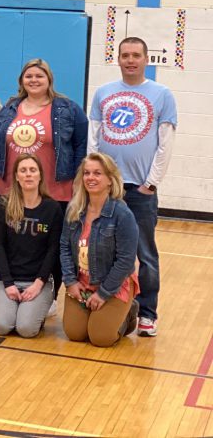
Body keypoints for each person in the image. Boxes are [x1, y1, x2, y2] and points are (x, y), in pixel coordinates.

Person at [88, 37, 176, 338]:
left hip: (139, 190)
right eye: (125, 55)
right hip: (106, 189)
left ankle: (148, 312)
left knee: (144, 253)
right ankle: (112, 306)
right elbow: (94, 139)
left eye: (136, 55)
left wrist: (151, 183)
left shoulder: (162, 95)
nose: (130, 60)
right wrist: (94, 177)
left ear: (146, 59)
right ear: (118, 59)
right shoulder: (103, 93)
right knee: (101, 249)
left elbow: (165, 144)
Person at [61, 153, 141, 347]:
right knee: (75, 334)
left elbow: (125, 261)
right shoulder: (74, 209)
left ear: (110, 180)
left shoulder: (122, 214)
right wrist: (70, 282)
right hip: (82, 283)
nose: (91, 178)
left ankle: (128, 313)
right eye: (87, 173)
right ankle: (96, 313)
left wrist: (103, 294)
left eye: (97, 173)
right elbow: (64, 246)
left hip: (113, 285)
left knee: (100, 338)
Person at [0, 59, 88, 203]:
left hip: (55, 193)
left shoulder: (68, 109)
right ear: (22, 80)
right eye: (29, 76)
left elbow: (81, 146)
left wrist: (79, 180)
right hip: (10, 191)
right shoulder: (8, 109)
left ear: (49, 79)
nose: (33, 80)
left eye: (39, 76)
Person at [0, 154, 63, 338]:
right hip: (8, 281)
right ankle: (18, 309)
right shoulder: (3, 205)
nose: (28, 175)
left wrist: (38, 284)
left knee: (26, 329)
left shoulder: (52, 208)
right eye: (23, 170)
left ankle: (34, 310)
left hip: (37, 282)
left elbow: (53, 250)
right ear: (16, 176)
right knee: (1, 326)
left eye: (32, 170)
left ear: (40, 176)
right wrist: (7, 283)